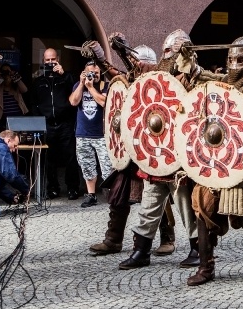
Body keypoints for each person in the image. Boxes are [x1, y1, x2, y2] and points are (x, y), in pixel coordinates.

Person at [183, 36, 243, 286]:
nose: (234, 64)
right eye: (231, 59)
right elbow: (203, 78)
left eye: (241, 59)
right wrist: (188, 62)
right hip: (213, 157)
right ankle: (205, 266)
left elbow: (242, 119)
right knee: (203, 208)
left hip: (241, 159)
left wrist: (220, 91)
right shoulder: (226, 83)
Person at [114, 30, 199, 269]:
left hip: (179, 155)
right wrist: (123, 48)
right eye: (165, 50)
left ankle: (198, 248)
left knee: (185, 204)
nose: (166, 55)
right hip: (156, 152)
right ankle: (141, 250)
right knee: (150, 202)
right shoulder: (160, 75)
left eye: (170, 50)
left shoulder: (192, 77)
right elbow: (138, 71)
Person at [86, 36, 173, 256]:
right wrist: (101, 58)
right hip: (130, 148)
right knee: (118, 192)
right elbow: (116, 78)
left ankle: (167, 238)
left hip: (153, 149)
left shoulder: (161, 84)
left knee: (157, 194)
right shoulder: (130, 80)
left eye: (138, 63)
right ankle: (114, 239)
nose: (135, 67)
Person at [32, 47, 80, 200]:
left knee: (70, 157)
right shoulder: (38, 81)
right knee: (49, 159)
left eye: (53, 59)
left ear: (58, 59)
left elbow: (76, 90)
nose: (51, 62)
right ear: (43, 61)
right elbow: (34, 103)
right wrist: (39, 121)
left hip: (65, 124)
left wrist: (64, 74)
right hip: (47, 125)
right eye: (48, 60)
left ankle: (73, 188)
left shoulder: (67, 77)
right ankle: (52, 188)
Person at [69, 59, 112, 208]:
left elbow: (104, 102)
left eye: (96, 73)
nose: (93, 75)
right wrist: (82, 84)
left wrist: (91, 88)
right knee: (87, 166)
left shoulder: (106, 86)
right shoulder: (78, 85)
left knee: (108, 167)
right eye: (90, 73)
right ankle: (91, 195)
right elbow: (73, 102)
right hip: (82, 134)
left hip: (101, 135)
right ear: (84, 73)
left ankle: (112, 195)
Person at [0, 62, 28, 128]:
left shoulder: (16, 85)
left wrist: (14, 75)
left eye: (7, 71)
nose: (6, 74)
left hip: (18, 117)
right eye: (4, 72)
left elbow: (25, 90)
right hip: (4, 119)